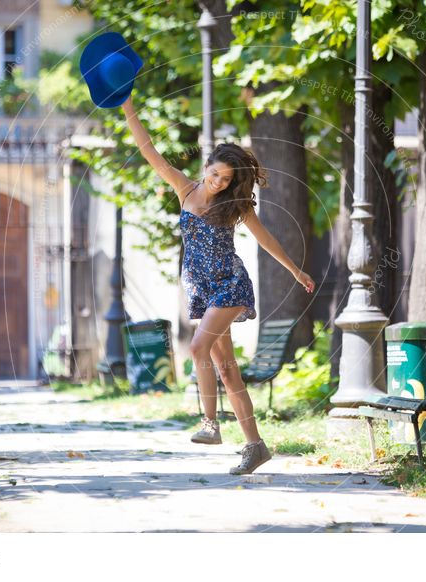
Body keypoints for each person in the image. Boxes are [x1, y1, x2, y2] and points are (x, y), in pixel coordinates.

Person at [120, 94, 315, 474]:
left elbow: (265, 239)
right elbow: (149, 151)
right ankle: (256, 446)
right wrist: (128, 107)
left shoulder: (236, 205)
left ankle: (210, 424)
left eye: (226, 179)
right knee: (226, 368)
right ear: (206, 165)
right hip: (201, 288)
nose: (219, 182)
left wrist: (295, 270)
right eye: (215, 174)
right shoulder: (184, 189)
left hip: (229, 283)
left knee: (198, 346)